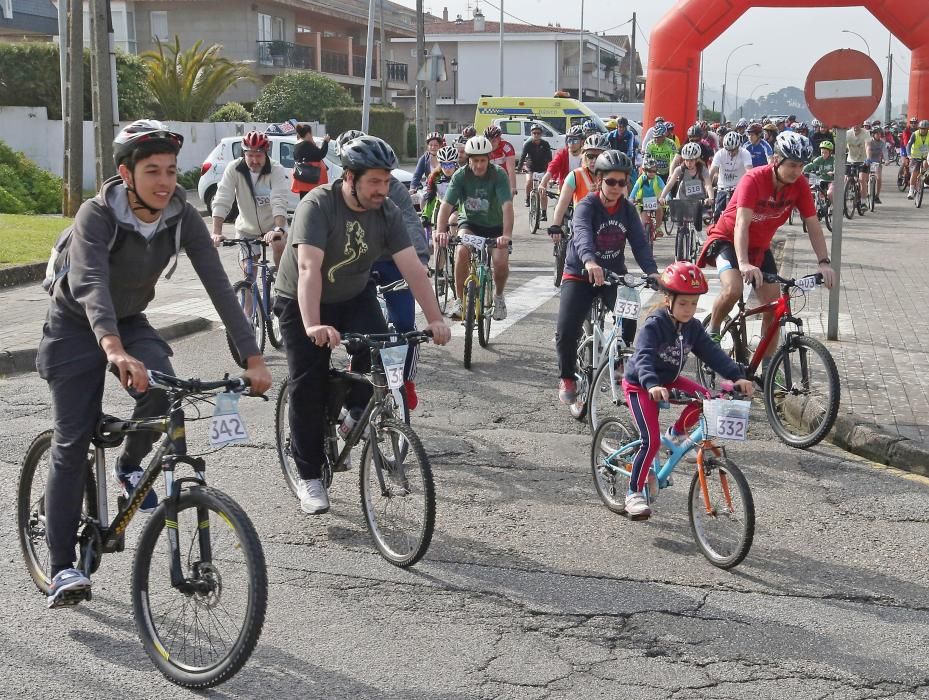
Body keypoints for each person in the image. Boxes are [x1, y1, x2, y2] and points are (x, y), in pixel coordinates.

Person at [39, 120, 273, 608]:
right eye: (152, 171)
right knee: (72, 435)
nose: (165, 181)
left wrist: (252, 356)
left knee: (165, 388)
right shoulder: (97, 215)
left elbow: (216, 283)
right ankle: (61, 565)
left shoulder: (180, 214)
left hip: (130, 319)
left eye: (170, 170)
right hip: (75, 325)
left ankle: (128, 468)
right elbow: (90, 287)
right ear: (126, 174)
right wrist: (112, 347)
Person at [273, 135, 450, 516]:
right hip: (302, 298)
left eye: (387, 181)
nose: (382, 190)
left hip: (353, 295)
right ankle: (310, 477)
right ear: (350, 177)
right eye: (374, 181)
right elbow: (308, 269)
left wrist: (434, 318)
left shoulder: (385, 212)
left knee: (386, 347)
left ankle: (353, 411)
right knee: (309, 380)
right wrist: (312, 325)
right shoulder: (319, 205)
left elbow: (412, 268)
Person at [621, 262, 754, 519]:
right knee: (650, 441)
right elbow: (644, 357)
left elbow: (712, 354)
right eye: (683, 304)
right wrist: (652, 384)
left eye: (693, 304)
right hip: (641, 385)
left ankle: (678, 433)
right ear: (668, 299)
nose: (689, 310)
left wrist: (737, 376)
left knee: (707, 399)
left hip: (668, 381)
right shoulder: (655, 324)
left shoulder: (692, 326)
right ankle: (633, 493)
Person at [697, 132, 836, 368]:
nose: (796, 171)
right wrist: (742, 263)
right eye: (791, 164)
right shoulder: (753, 179)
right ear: (775, 160)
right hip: (728, 240)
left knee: (774, 307)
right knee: (733, 289)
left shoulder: (800, 185)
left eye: (801, 166)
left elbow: (813, 224)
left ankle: (769, 369)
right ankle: (712, 333)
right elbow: (742, 223)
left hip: (760, 248)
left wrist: (823, 262)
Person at [554, 150, 659, 405]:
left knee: (630, 311)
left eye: (622, 182)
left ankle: (620, 361)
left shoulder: (628, 210)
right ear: (599, 180)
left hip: (613, 274)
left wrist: (652, 272)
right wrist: (589, 261)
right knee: (566, 331)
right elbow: (580, 234)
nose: (616, 187)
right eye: (610, 181)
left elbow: (640, 244)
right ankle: (567, 376)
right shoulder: (587, 205)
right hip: (580, 273)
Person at [335, 130, 432, 407]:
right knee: (358, 328)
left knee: (405, 325)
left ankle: (407, 380)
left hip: (394, 261)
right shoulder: (335, 195)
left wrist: (421, 260)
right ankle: (356, 369)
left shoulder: (394, 190)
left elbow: (411, 223)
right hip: (359, 262)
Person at [434, 135, 514, 322]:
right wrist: (440, 231)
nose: (479, 165)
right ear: (468, 160)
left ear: (489, 159)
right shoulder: (460, 176)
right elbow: (446, 206)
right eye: (475, 161)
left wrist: (507, 235)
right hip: (470, 224)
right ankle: (461, 301)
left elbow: (507, 207)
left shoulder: (499, 175)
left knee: (500, 263)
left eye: (483, 160)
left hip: (496, 226)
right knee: (461, 252)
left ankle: (499, 297)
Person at [210, 130, 289, 269]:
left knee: (279, 245)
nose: (254, 160)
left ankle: (281, 283)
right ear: (243, 154)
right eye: (250, 155)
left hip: (272, 225)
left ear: (266, 154)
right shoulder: (234, 169)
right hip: (246, 228)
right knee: (249, 270)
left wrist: (278, 228)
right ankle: (247, 289)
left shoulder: (276, 169)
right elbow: (223, 198)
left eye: (258, 155)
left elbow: (279, 200)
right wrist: (216, 232)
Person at [548, 134, 609, 240]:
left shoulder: (612, 177)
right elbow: (562, 204)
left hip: (606, 228)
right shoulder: (575, 175)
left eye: (598, 156)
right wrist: (556, 225)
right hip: (582, 227)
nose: (594, 160)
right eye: (590, 156)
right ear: (584, 156)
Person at [659, 141, 714, 233]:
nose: (689, 163)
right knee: (680, 226)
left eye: (691, 160)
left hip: (698, 200)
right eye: (686, 160)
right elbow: (670, 184)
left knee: (698, 227)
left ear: (696, 160)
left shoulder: (703, 170)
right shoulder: (679, 170)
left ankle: (697, 239)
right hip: (682, 199)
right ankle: (680, 240)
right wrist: (662, 197)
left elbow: (708, 185)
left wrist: (711, 198)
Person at [709, 130, 754, 220]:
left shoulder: (745, 153)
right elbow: (712, 171)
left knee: (741, 214)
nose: (730, 153)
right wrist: (708, 187)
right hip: (723, 187)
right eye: (728, 150)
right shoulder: (720, 153)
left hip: (738, 187)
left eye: (733, 150)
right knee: (717, 215)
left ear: (738, 146)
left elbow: (749, 171)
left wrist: (750, 185)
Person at [517, 122, 553, 214]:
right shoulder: (527, 144)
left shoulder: (545, 144)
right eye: (534, 133)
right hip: (531, 167)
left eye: (538, 133)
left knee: (543, 189)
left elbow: (550, 158)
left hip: (542, 167)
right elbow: (522, 157)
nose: (536, 135)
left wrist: (551, 170)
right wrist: (519, 168)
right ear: (531, 134)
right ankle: (528, 198)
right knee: (529, 181)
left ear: (541, 134)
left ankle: (543, 212)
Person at [539, 124, 585, 194]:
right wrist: (543, 183)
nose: (572, 143)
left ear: (582, 141)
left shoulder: (587, 155)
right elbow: (552, 167)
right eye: (570, 140)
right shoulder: (562, 154)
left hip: (582, 190)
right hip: (565, 189)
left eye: (575, 141)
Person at [291, 123, 330, 201]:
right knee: (313, 202)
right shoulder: (306, 145)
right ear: (308, 133)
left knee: (304, 201)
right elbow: (321, 154)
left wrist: (312, 142)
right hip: (311, 181)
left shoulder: (297, 145)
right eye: (311, 133)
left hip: (303, 179)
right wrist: (325, 142)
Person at [629, 156, 667, 235]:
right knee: (643, 224)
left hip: (655, 200)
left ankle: (658, 227)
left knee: (659, 209)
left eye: (654, 171)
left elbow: (665, 189)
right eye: (649, 171)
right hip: (642, 202)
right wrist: (631, 198)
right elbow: (635, 188)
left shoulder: (658, 179)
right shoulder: (641, 179)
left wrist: (665, 198)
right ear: (645, 171)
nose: (652, 173)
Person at [485, 125, 518, 197]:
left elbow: (511, 169)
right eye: (488, 141)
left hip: (504, 177)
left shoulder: (506, 147)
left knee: (507, 204)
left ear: (499, 139)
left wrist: (513, 187)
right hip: (488, 178)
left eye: (494, 141)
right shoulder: (483, 147)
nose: (491, 144)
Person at [846, 123, 869, 203]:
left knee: (862, 180)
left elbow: (867, 146)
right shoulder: (848, 133)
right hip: (850, 160)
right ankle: (847, 196)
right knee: (847, 179)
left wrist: (868, 158)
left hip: (863, 160)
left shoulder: (866, 133)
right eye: (854, 124)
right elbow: (842, 146)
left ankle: (863, 202)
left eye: (858, 124)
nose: (855, 126)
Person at [906, 119, 929, 199]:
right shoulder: (915, 134)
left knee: (925, 164)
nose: (923, 130)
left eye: (925, 129)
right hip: (915, 156)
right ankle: (911, 191)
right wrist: (909, 155)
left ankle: (923, 180)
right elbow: (908, 145)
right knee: (915, 172)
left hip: (926, 156)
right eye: (921, 128)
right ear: (919, 128)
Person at [865, 126, 885, 204]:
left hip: (877, 162)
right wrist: (868, 159)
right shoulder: (869, 141)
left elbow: (885, 151)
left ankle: (877, 196)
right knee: (864, 179)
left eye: (880, 134)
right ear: (873, 134)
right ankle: (865, 193)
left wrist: (886, 160)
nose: (878, 135)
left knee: (879, 178)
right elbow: (868, 149)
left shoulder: (882, 143)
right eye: (876, 134)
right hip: (868, 161)